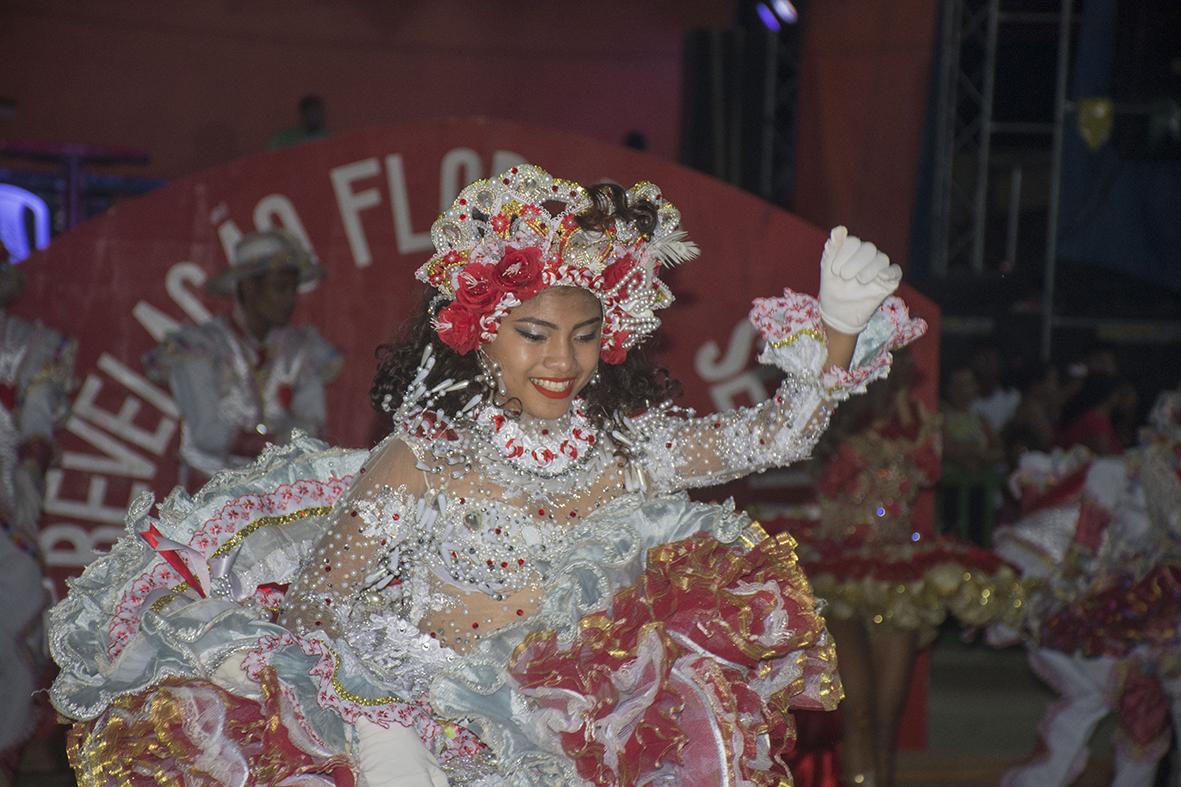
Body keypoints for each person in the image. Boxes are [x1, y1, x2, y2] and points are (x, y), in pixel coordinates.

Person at [49, 165, 925, 785]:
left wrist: (838, 330)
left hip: (557, 729)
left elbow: (775, 436)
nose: (562, 360)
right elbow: (318, 603)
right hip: (407, 714)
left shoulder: (627, 450)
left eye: (583, 335)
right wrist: (395, 673)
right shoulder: (423, 458)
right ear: (480, 334)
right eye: (534, 334)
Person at [797, 350, 1023, 787]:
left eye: (896, 368)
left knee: (884, 718)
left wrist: (902, 407)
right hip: (838, 572)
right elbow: (826, 484)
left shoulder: (916, 423)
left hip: (897, 576)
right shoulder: (836, 422)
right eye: (883, 369)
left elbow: (929, 468)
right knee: (856, 710)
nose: (891, 376)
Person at [992, 387, 1181, 786]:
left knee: (1136, 720)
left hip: (1156, 618)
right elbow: (1083, 548)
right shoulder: (1119, 475)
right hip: (1121, 615)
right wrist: (1046, 597)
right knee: (1117, 705)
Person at [145, 229, 342, 485]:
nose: (289, 300)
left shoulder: (301, 350)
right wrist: (277, 441)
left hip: (279, 493)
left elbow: (313, 430)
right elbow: (208, 433)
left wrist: (288, 444)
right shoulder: (199, 347)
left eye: (293, 289)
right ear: (249, 288)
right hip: (210, 496)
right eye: (280, 288)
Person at [0, 247, 76, 782]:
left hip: (5, 507)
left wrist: (23, 488)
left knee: (13, 615)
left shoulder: (32, 346)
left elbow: (36, 430)